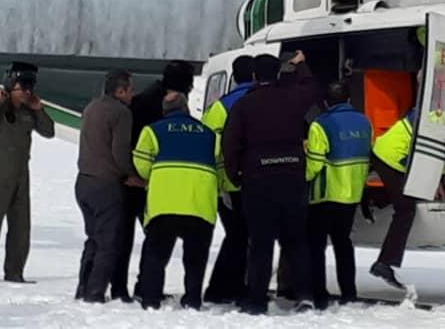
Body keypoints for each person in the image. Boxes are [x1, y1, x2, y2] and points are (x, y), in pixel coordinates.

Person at [223, 51, 319, 314]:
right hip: (292, 177)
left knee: (261, 243)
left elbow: (230, 144)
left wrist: (235, 176)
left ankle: (256, 299)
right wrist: (301, 65)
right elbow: (311, 88)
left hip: (258, 180)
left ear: (254, 75)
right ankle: (305, 295)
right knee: (296, 241)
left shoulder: (244, 105)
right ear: (277, 73)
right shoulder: (292, 98)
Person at [115, 60, 195, 301]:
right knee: (157, 236)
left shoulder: (145, 98)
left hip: (133, 177)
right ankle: (145, 287)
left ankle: (123, 289)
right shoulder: (165, 104)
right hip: (146, 180)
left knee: (130, 237)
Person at [132, 92, 221, 310]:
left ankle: (151, 299)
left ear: (164, 111)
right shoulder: (210, 134)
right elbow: (220, 165)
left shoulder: (152, 131)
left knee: (156, 254)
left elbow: (141, 165)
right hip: (200, 203)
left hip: (164, 204)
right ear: (187, 108)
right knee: (196, 257)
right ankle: (192, 299)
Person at [0, 61, 55, 283]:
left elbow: (48, 131)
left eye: (29, 89)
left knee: (21, 227)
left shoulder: (29, 112)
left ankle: (15, 272)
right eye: (22, 89)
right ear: (10, 87)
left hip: (21, 175)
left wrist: (39, 109)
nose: (27, 93)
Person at [74, 70, 141, 303]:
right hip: (106, 185)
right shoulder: (121, 113)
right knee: (109, 243)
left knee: (92, 237)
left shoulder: (92, 107)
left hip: (83, 181)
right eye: (131, 90)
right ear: (120, 91)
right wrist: (132, 175)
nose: (133, 94)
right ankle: (95, 292)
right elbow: (120, 153)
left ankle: (83, 287)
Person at [305, 81, 373, 308]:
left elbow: (314, 164)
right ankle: (349, 293)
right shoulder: (365, 122)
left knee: (316, 246)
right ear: (349, 99)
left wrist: (300, 178)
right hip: (353, 193)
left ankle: (319, 294)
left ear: (325, 102)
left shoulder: (320, 125)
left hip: (325, 194)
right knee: (343, 243)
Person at [202, 55, 254, 305]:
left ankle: (223, 287)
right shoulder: (261, 101)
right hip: (256, 181)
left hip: (226, 183)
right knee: (243, 236)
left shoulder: (220, 107)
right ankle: (228, 287)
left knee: (236, 235)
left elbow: (208, 144)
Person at [368, 106, 418, 290]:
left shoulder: (434, 108)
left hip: (385, 151)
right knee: (406, 209)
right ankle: (384, 263)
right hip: (392, 158)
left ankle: (373, 200)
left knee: (400, 195)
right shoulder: (441, 116)